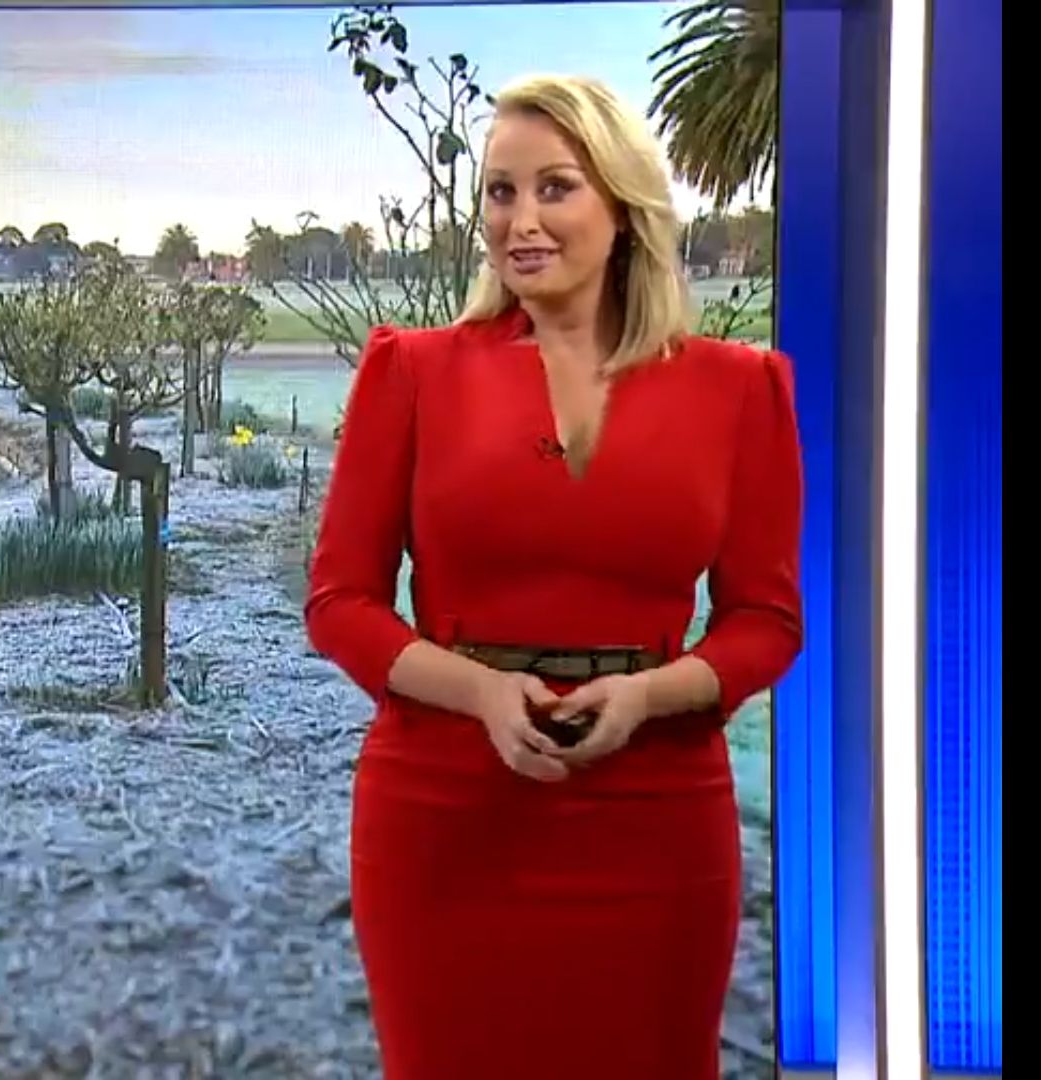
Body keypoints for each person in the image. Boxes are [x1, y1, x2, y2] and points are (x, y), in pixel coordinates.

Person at [304, 73, 802, 1079]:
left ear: (623, 207)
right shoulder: (412, 371)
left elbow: (766, 622)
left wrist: (649, 696)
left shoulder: (739, 389)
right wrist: (481, 693)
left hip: (658, 819)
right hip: (445, 816)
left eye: (555, 188)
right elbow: (340, 604)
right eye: (500, 192)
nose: (519, 221)